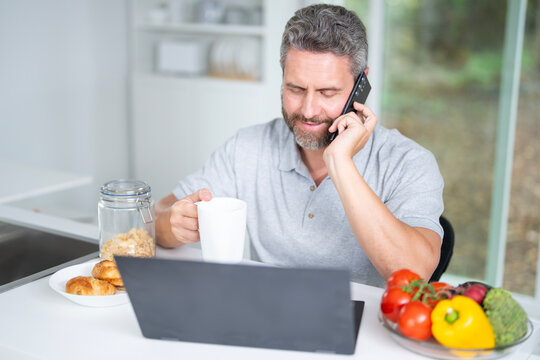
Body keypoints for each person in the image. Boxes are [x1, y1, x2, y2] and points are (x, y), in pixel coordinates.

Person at [155, 4, 444, 287]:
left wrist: (341, 163)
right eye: (295, 89)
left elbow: (416, 273)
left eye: (327, 92)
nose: (307, 110)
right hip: (266, 318)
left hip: (361, 329)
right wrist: (173, 224)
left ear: (361, 85)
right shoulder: (246, 147)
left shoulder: (409, 162)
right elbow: (156, 217)